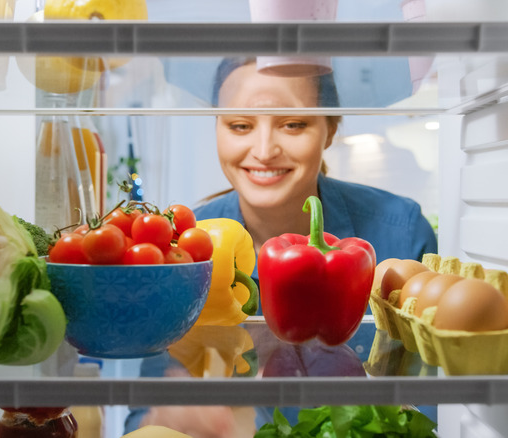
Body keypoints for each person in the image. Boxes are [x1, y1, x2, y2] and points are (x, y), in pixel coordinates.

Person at [124, 57, 438, 437]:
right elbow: (144, 412)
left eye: (293, 124)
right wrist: (167, 419)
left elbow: (430, 405)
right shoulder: (182, 246)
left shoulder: (401, 232)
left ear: (330, 128)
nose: (264, 150)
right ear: (218, 129)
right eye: (239, 125)